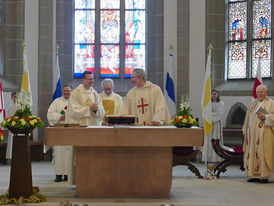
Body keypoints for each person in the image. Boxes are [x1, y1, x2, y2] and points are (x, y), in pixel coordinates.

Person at [65, 71, 105, 184]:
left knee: (93, 153)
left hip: (93, 126)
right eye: (89, 79)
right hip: (80, 127)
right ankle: (80, 180)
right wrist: (89, 108)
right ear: (83, 80)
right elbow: (73, 111)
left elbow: (101, 112)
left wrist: (96, 109)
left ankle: (93, 178)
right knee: (80, 154)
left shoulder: (95, 93)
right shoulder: (76, 93)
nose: (91, 81)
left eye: (92, 79)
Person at [242, 84, 274, 183]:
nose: (259, 94)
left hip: (265, 135)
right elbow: (247, 118)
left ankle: (264, 176)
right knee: (252, 152)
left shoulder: (271, 104)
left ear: (266, 93)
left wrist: (266, 117)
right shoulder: (253, 104)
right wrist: (244, 130)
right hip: (252, 135)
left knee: (263, 153)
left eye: (262, 92)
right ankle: (254, 174)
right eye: (258, 92)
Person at [47, 84, 72, 182]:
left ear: (71, 92)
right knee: (59, 153)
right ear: (62, 91)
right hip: (59, 132)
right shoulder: (56, 102)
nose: (66, 92)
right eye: (65, 91)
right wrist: (60, 117)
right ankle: (58, 174)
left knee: (69, 154)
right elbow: (50, 115)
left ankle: (67, 175)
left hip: (71, 131)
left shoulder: (75, 102)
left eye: (68, 91)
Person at [202, 89, 225, 163]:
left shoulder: (221, 103)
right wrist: (210, 116)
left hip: (216, 124)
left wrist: (210, 117)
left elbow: (219, 114)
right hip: (209, 124)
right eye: (212, 94)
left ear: (218, 95)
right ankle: (208, 157)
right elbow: (205, 112)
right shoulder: (208, 103)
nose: (213, 95)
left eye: (215, 94)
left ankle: (217, 158)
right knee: (209, 139)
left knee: (215, 139)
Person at [5, 92, 17, 159]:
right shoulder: (10, 107)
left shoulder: (19, 106)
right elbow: (8, 117)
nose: (15, 98)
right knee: (11, 141)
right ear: (11, 97)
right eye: (14, 97)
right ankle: (10, 156)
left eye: (16, 97)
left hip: (18, 128)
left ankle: (18, 156)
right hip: (12, 128)